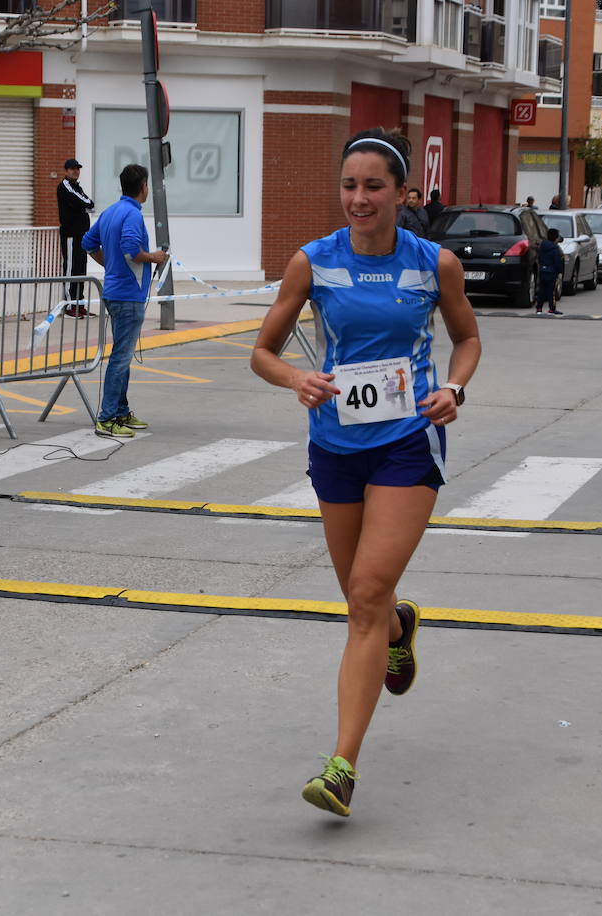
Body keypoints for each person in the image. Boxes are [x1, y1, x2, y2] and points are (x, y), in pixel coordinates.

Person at [250, 128, 481, 818]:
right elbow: (262, 351)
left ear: (404, 194)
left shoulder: (434, 264)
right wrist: (297, 377)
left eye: (374, 186)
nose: (359, 198)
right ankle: (400, 630)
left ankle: (342, 765)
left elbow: (466, 337)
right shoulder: (312, 263)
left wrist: (456, 390)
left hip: (409, 443)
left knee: (366, 592)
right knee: (364, 602)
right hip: (336, 445)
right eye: (349, 185)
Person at [81, 163, 167, 439]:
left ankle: (121, 410)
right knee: (120, 357)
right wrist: (152, 257)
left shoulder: (110, 212)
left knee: (123, 355)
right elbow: (132, 249)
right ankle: (106, 418)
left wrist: (110, 266)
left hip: (115, 291)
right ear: (143, 187)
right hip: (128, 295)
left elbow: (88, 242)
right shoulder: (131, 214)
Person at [57, 158, 95, 318]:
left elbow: (87, 203)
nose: (75, 171)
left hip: (82, 235)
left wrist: (86, 205)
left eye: (77, 169)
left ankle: (79, 304)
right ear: (66, 171)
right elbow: (88, 203)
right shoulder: (65, 186)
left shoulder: (77, 187)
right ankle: (69, 306)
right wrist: (86, 205)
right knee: (71, 269)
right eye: (72, 169)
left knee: (81, 269)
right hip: (71, 234)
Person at [536, 227, 564, 314]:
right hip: (551, 272)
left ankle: (539, 309)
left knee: (542, 290)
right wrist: (560, 271)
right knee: (551, 291)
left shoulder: (542, 246)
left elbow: (539, 258)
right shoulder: (554, 249)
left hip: (542, 270)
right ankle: (552, 308)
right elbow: (557, 262)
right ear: (555, 238)